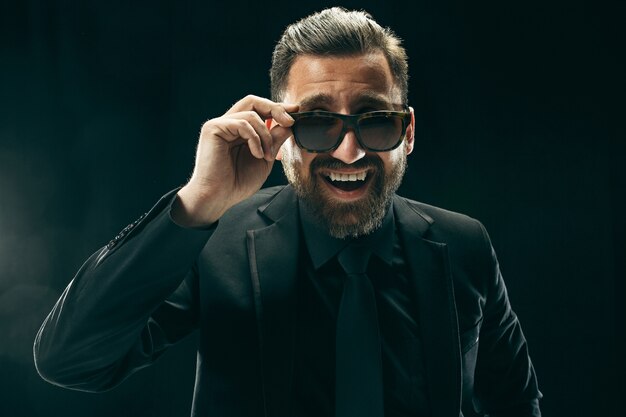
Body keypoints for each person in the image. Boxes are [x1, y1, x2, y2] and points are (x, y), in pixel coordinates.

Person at [34, 7, 542, 417]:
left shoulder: (464, 245)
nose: (348, 153)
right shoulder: (215, 240)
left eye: (375, 121)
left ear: (407, 132)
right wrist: (196, 204)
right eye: (319, 123)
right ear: (280, 135)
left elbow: (516, 404)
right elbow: (71, 361)